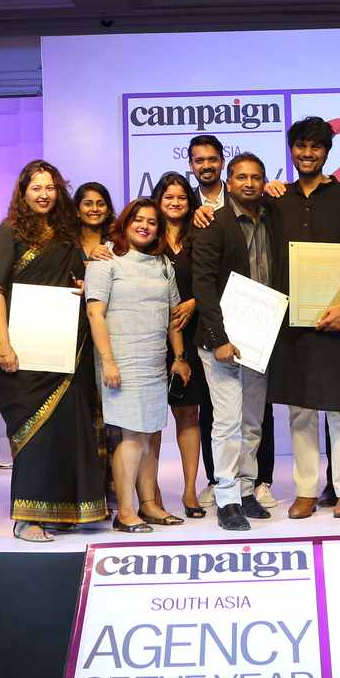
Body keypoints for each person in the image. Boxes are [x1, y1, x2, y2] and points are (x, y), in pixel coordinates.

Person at [0, 161, 109, 541]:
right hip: (23, 348)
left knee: (68, 427)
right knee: (34, 431)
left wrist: (85, 279)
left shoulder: (67, 232)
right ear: (23, 192)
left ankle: (67, 511)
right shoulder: (9, 231)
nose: (44, 195)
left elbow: (75, 278)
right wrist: (4, 345)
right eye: (36, 188)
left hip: (67, 346)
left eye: (50, 187)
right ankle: (28, 518)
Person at [271, 116, 340, 520]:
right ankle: (305, 490)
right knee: (299, 409)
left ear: (327, 152)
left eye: (315, 147)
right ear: (292, 150)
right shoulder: (276, 199)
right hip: (291, 322)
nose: (307, 153)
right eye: (300, 146)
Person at [87, 199, 188, 533]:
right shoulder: (106, 259)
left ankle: (149, 505)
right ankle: (126, 511)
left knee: (151, 435)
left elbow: (174, 317)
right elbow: (95, 313)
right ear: (126, 222)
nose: (145, 226)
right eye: (138, 220)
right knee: (131, 436)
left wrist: (179, 357)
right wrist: (108, 361)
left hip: (154, 362)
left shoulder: (163, 264)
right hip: (121, 361)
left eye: (152, 222)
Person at [192, 152, 278, 531]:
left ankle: (246, 489)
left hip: (260, 332)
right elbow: (203, 285)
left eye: (256, 177)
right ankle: (226, 498)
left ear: (264, 182)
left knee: (253, 420)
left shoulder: (273, 218)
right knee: (227, 421)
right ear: (229, 183)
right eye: (241, 177)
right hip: (221, 338)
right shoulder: (214, 223)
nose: (249, 183)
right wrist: (219, 338)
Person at [153, 172, 208, 517]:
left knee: (189, 414)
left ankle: (190, 491)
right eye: (168, 197)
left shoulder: (199, 234)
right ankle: (151, 492)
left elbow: (216, 277)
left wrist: (195, 302)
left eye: (181, 197)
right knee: (150, 419)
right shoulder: (145, 234)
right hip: (148, 336)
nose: (175, 203)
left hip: (191, 334)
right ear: (158, 200)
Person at [74, 182, 117, 262]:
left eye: (101, 204)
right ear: (77, 211)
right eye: (88, 204)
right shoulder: (67, 243)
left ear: (108, 211)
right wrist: (90, 263)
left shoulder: (118, 242)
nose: (95, 209)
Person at [188, 135, 228, 212]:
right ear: (191, 166)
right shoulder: (188, 205)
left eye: (212, 160)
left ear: (222, 163)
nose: (206, 166)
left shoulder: (238, 198)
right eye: (199, 161)